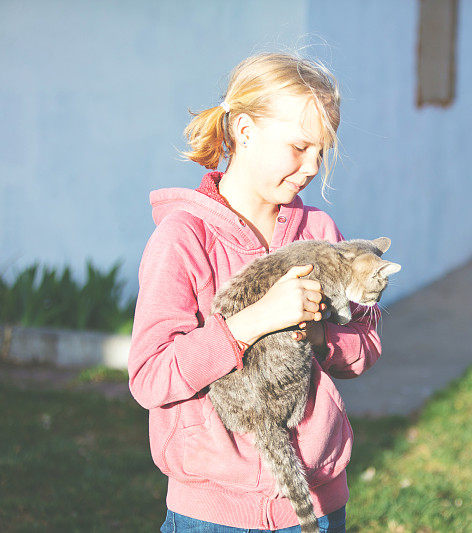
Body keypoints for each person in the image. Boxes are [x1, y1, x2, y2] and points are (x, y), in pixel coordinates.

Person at [128, 52, 381, 533]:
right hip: (210, 513)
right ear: (244, 131)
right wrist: (253, 321)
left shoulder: (321, 231)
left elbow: (366, 346)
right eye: (299, 147)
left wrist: (320, 334)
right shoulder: (184, 238)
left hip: (315, 504)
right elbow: (150, 376)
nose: (311, 166)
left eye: (321, 152)